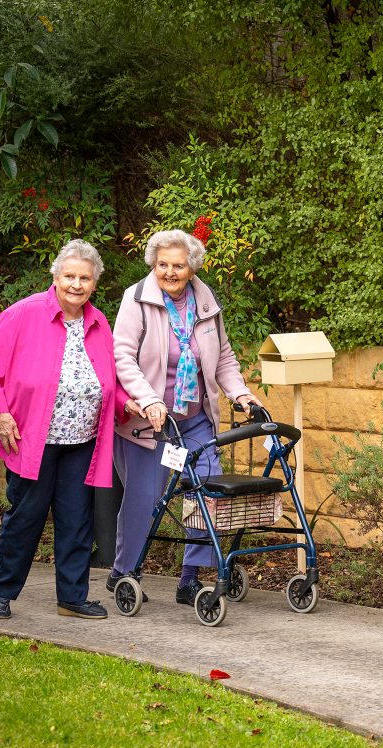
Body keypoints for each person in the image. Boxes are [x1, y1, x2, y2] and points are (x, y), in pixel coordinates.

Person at [0, 239, 133, 620]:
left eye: (85, 278)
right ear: (55, 276)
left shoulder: (97, 322)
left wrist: (126, 403)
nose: (76, 284)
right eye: (69, 276)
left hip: (81, 440)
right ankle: (1, 592)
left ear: (95, 283)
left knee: (77, 520)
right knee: (26, 518)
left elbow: (106, 378)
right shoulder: (23, 314)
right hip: (32, 438)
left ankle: (72, 598)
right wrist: (1, 413)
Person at [109, 229, 262, 605]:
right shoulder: (137, 299)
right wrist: (146, 399)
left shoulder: (205, 299)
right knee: (144, 499)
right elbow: (123, 357)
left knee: (206, 495)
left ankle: (190, 579)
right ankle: (124, 572)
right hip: (150, 423)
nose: (170, 272)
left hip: (195, 419)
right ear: (153, 265)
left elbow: (223, 357)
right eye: (163, 264)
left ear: (193, 267)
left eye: (178, 265)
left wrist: (240, 393)